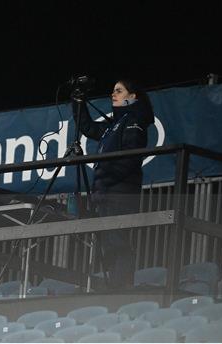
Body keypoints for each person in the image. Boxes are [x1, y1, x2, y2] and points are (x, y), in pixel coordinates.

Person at [72, 79, 155, 289]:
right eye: (112, 91)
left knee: (118, 243)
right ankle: (114, 290)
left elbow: (130, 159)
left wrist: (106, 182)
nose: (113, 94)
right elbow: (88, 128)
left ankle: (121, 292)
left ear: (132, 96)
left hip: (119, 194)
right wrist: (78, 101)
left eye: (119, 91)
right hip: (105, 195)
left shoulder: (134, 121)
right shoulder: (114, 125)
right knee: (108, 246)